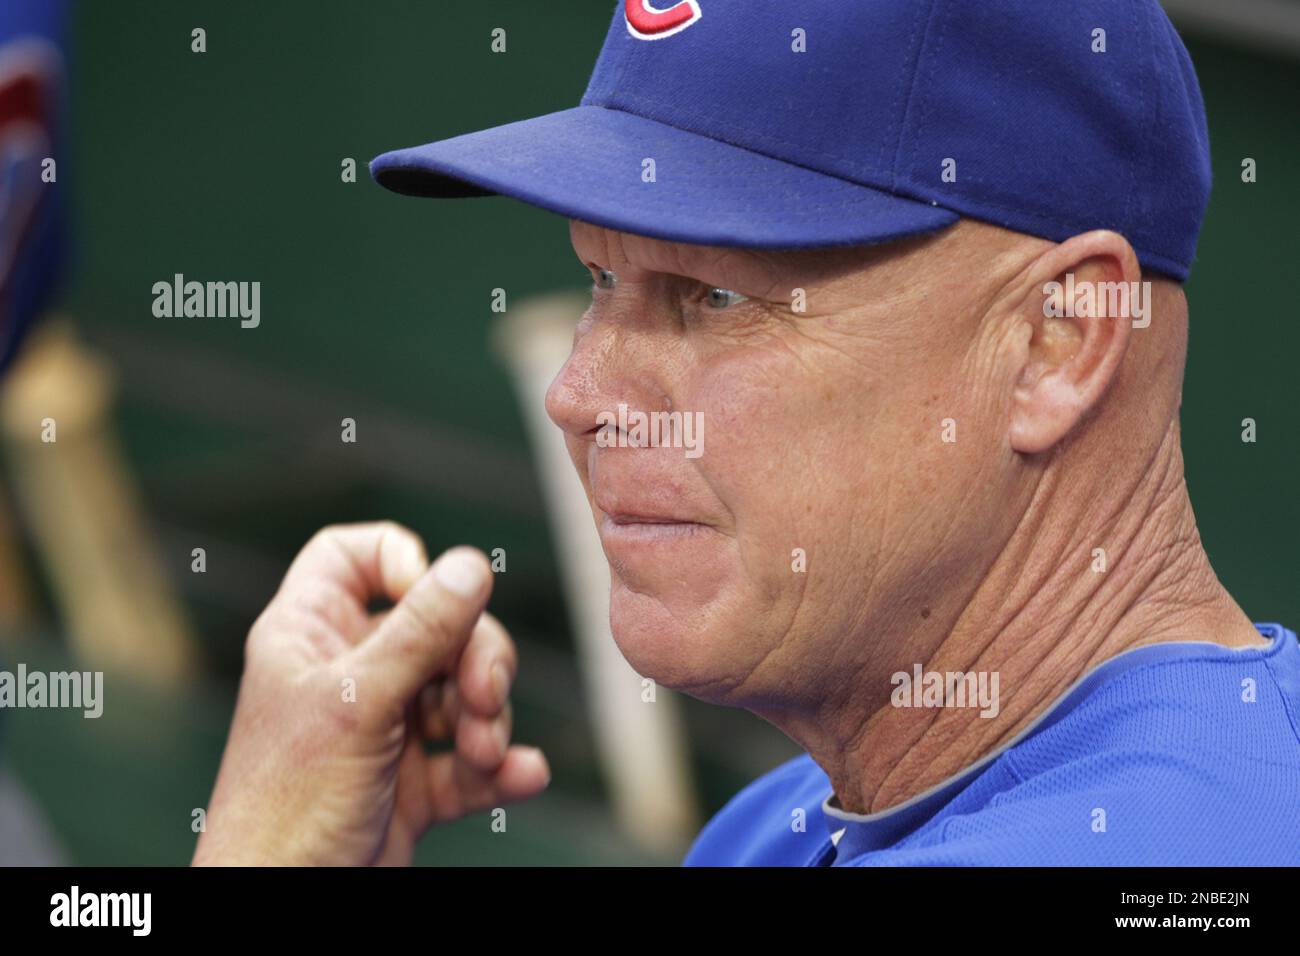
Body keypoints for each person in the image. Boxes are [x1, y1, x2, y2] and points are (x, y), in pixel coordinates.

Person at [196, 0, 1300, 864]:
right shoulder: (790, 816)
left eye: (711, 297)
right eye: (597, 277)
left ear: (1056, 338)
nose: (578, 393)